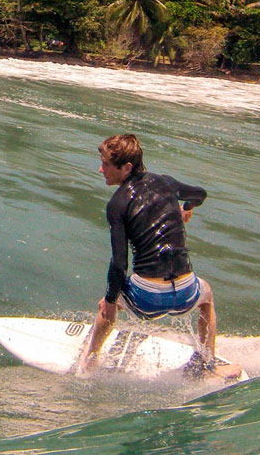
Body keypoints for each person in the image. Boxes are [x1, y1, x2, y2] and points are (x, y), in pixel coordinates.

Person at [77, 134, 241, 378]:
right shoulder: (167, 183)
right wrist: (186, 208)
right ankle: (207, 365)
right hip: (185, 292)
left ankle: (88, 365)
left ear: (126, 168)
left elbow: (119, 264)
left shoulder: (118, 204)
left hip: (149, 298)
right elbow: (200, 194)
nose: (101, 169)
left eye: (106, 164)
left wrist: (110, 302)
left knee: (107, 303)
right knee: (206, 295)